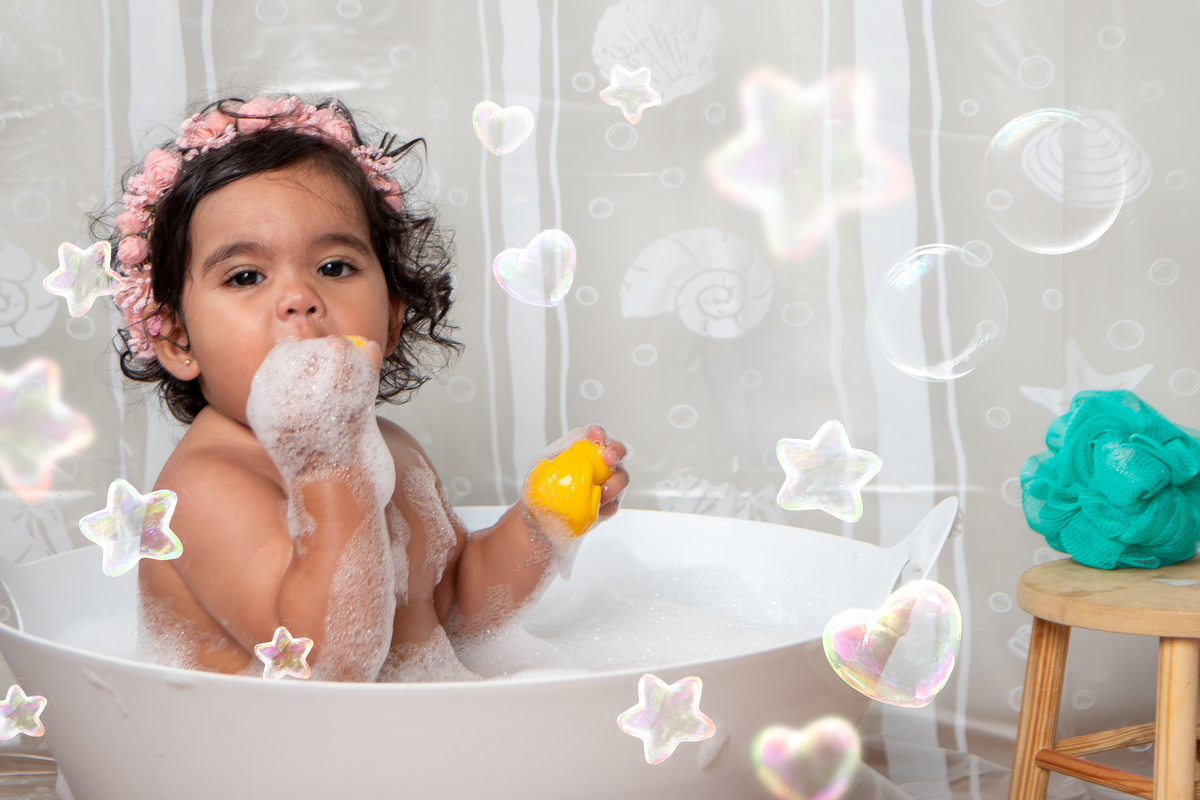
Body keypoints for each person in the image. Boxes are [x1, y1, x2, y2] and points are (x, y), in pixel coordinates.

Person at [114, 95, 628, 681]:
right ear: (178, 339)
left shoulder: (392, 450)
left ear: (390, 316)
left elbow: (458, 607)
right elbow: (326, 661)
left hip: (398, 747)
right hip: (265, 759)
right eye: (246, 276)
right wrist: (328, 469)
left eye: (334, 267)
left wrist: (541, 523)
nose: (299, 297)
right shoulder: (205, 489)